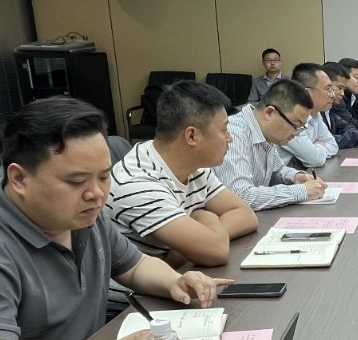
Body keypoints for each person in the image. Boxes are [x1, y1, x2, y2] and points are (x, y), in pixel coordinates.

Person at [0, 95, 232, 340]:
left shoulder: (81, 213)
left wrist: (174, 282)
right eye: (76, 181)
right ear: (19, 178)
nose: (97, 194)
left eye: (104, 176)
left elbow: (134, 265)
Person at [104, 81, 258, 263]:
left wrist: (193, 243)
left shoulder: (194, 167)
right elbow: (217, 252)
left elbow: (246, 215)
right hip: (140, 281)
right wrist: (205, 216)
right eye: (224, 129)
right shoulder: (137, 183)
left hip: (179, 272)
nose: (229, 138)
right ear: (191, 136)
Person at [216, 79, 327, 210]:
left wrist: (296, 177)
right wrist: (302, 191)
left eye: (301, 127)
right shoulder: (234, 134)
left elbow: (277, 170)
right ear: (269, 113)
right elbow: (241, 196)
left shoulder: (265, 132)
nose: (296, 134)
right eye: (295, 126)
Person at [281, 62, 340, 168]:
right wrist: (319, 145)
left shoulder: (315, 114)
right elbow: (315, 160)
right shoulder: (289, 118)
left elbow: (333, 145)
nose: (332, 95)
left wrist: (315, 148)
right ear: (307, 93)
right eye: (328, 89)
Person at [322, 61, 358, 149]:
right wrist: (357, 137)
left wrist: (357, 135)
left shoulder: (329, 109)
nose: (342, 93)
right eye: (340, 88)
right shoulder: (315, 112)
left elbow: (347, 125)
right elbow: (326, 141)